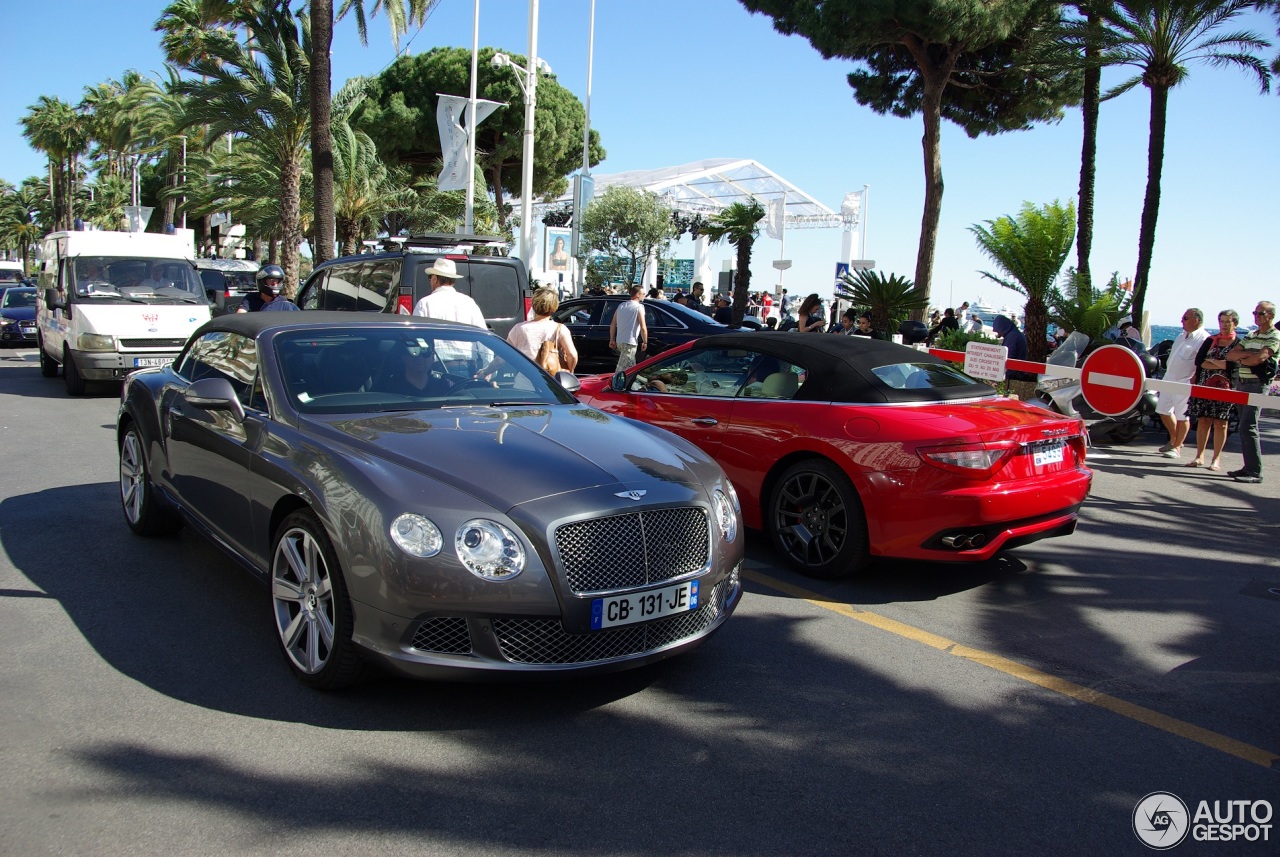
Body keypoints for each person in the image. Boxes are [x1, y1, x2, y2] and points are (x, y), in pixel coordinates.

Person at [1224, 300, 1278, 484]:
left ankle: (1255, 472)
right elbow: (1231, 355)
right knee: (1244, 426)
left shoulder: (1275, 336)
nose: (1256, 316)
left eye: (1260, 313)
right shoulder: (1251, 334)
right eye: (1255, 313)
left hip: (1257, 384)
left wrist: (1245, 357)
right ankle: (1248, 467)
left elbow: (1260, 358)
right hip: (1243, 382)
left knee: (1249, 426)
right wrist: (1247, 357)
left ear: (1270, 316)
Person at [1185, 309, 1240, 471]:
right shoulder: (1210, 340)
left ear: (1234, 324)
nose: (1223, 325)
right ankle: (1199, 456)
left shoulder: (1238, 344)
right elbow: (1200, 361)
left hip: (1224, 388)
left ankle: (1216, 459)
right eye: (1221, 321)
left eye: (1227, 322)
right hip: (1204, 385)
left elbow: (1233, 366)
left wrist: (1213, 362)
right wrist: (1220, 363)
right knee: (1203, 420)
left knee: (1221, 423)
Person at [412, 258, 487, 373]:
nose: (430, 281)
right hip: (468, 367)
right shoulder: (468, 302)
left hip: (437, 367)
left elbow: (416, 338)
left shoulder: (425, 303)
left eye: (430, 277)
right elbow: (483, 336)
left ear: (435, 279)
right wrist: (487, 369)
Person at [1154, 308, 1208, 459]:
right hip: (1169, 378)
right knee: (1163, 410)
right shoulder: (1180, 336)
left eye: (1185, 318)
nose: (1181, 321)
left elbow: (1201, 362)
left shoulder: (1204, 338)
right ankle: (1174, 439)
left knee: (1182, 416)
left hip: (1185, 381)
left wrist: (1195, 378)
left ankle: (1177, 447)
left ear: (1196, 320)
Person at [504, 288, 578, 373]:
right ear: (555, 306)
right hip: (550, 380)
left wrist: (487, 372)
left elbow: (504, 355)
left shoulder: (519, 328)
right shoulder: (560, 329)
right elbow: (572, 355)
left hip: (524, 380)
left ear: (533, 304)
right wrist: (570, 372)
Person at [991, 314, 1033, 398]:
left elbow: (1009, 356)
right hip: (1017, 371)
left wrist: (1002, 377)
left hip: (1014, 374)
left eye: (999, 331)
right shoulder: (1015, 334)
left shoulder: (1012, 337)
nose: (999, 333)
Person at [609, 285, 648, 371]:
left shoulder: (622, 305)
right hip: (630, 341)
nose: (644, 295)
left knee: (624, 365)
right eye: (643, 293)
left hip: (620, 341)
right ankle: (617, 382)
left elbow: (613, 324)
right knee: (628, 369)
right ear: (638, 294)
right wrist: (645, 341)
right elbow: (643, 326)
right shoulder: (639, 307)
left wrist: (612, 339)